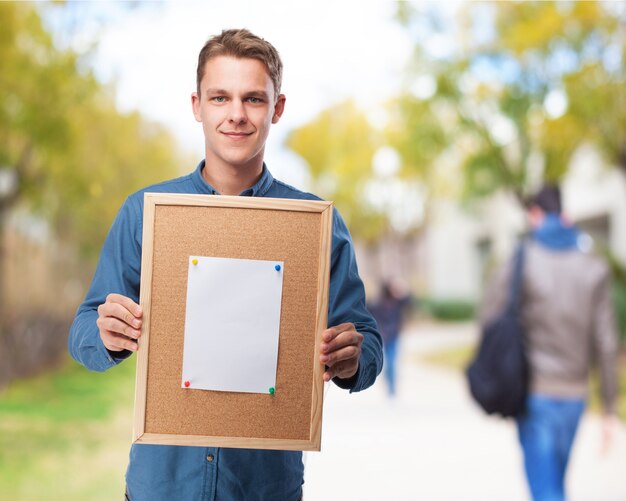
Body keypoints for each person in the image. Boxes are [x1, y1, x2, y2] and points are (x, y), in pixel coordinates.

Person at [68, 28, 383, 501]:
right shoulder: (146, 213)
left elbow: (368, 341)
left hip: (264, 489)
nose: (236, 114)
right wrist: (106, 334)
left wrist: (354, 358)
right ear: (197, 105)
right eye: (221, 97)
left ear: (277, 108)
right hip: (162, 486)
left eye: (253, 99)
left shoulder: (315, 225)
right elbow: (82, 331)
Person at [480, 184, 620, 501]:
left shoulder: (520, 261)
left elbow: (489, 318)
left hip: (535, 393)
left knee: (546, 490)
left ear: (535, 215)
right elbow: (606, 342)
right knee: (554, 483)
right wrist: (609, 406)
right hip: (576, 396)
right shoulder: (594, 267)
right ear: (566, 216)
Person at [368, 279, 412, 397]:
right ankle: (388, 381)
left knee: (391, 361)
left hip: (393, 336)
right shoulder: (377, 303)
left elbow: (410, 300)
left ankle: (391, 387)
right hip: (382, 336)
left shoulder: (397, 302)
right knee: (385, 362)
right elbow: (367, 313)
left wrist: (401, 291)